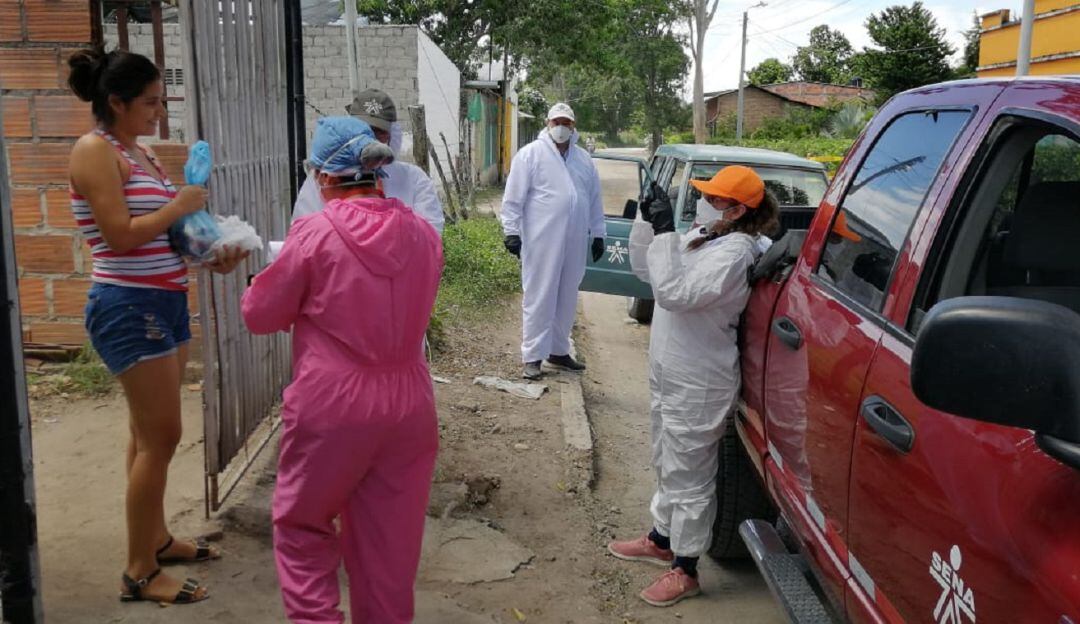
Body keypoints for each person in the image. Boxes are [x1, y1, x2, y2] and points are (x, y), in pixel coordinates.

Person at [241, 116, 443, 624]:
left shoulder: (314, 234)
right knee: (390, 548)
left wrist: (254, 280)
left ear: (324, 177)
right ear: (377, 174)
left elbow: (261, 315)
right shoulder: (423, 234)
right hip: (410, 401)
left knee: (304, 524)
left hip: (334, 403)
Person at [66, 47, 248, 605]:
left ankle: (156, 538)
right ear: (115, 103)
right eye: (148, 102)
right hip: (128, 304)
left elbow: (161, 235)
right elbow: (119, 236)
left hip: (165, 299)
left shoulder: (139, 152)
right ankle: (139, 572)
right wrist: (180, 206)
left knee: (146, 436)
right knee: (163, 436)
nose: (158, 111)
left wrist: (209, 254)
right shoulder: (94, 152)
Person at [608, 165, 779, 607]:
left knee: (691, 475)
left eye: (714, 196)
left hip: (699, 378)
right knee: (666, 457)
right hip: (672, 368)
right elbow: (650, 274)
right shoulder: (710, 234)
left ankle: (685, 568)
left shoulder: (736, 253)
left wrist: (666, 229)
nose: (704, 200)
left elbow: (676, 294)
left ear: (739, 209)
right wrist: (647, 221)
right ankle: (661, 537)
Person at [500, 102, 606, 380]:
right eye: (556, 122)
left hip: (575, 239)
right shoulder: (530, 155)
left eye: (566, 123)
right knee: (539, 294)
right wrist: (511, 231)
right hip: (541, 239)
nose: (561, 128)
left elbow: (594, 199)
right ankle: (532, 356)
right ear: (547, 124)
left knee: (567, 294)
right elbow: (513, 198)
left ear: (574, 127)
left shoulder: (584, 159)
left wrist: (598, 233)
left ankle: (558, 351)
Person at [291, 88, 444, 234]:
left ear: (392, 134)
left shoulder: (414, 179)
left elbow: (429, 236)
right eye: (363, 130)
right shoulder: (326, 179)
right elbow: (304, 230)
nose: (370, 138)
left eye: (379, 132)